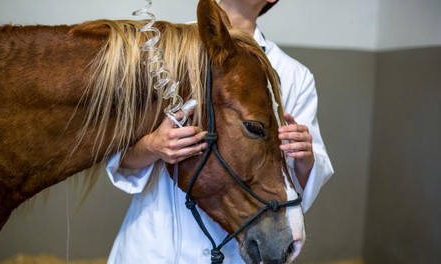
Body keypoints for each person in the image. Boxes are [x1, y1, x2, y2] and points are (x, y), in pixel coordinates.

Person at [106, 0, 334, 263]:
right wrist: (154, 147)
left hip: (236, 251)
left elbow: (301, 177)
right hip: (158, 244)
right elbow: (117, 157)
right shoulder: (166, 49)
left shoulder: (294, 75)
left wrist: (305, 157)